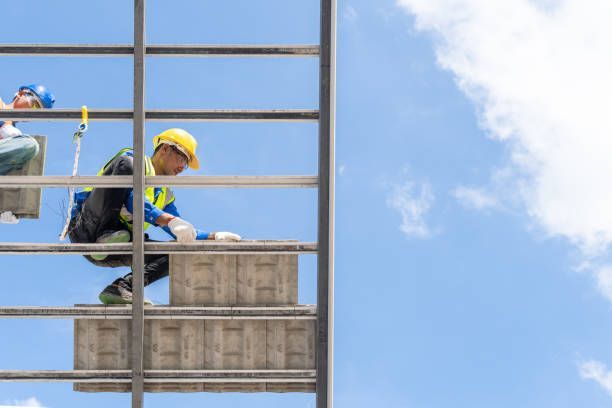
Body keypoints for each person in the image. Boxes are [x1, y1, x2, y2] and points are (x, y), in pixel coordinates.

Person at [68, 128, 241, 304]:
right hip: (87, 228)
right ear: (165, 148)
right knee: (127, 165)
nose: (182, 167)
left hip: (114, 245)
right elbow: (131, 199)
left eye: (186, 163)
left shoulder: (164, 194)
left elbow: (180, 230)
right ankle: (104, 236)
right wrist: (167, 220)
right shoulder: (134, 161)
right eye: (182, 158)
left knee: (177, 253)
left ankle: (122, 288)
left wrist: (214, 236)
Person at [0, 84, 55, 223]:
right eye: (35, 106)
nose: (33, 113)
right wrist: (3, 126)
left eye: (38, 113)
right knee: (30, 145)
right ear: (21, 94)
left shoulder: (15, 145)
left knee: (31, 153)